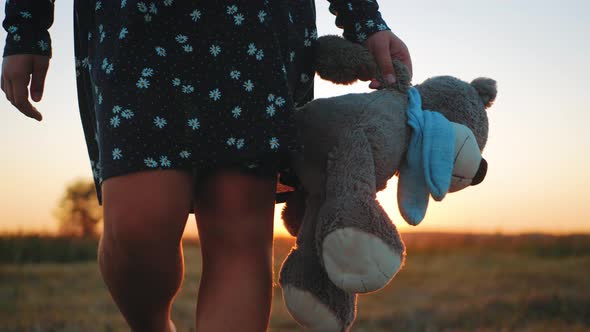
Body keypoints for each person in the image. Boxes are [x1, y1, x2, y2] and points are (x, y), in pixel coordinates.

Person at [2, 1, 412, 331]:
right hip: (134, 23)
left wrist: (364, 18)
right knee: (137, 228)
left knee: (239, 228)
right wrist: (26, 23)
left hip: (255, 25)